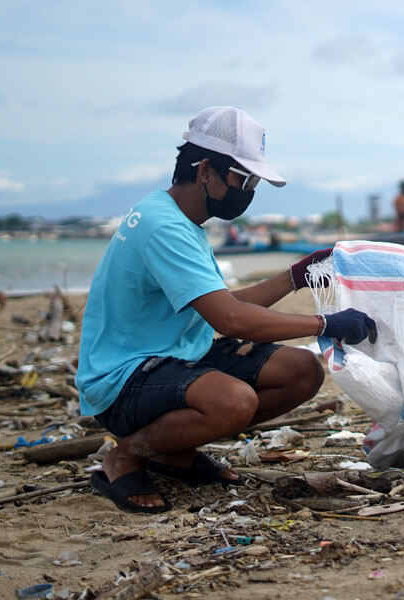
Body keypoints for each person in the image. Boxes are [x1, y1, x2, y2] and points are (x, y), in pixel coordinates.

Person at [76, 106, 377, 513]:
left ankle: (172, 450)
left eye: (254, 181)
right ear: (205, 171)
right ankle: (127, 455)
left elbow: (223, 304)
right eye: (243, 178)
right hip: (123, 378)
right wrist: (324, 323)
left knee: (301, 372)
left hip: (175, 356)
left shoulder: (176, 216)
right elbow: (231, 320)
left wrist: (295, 277)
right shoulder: (164, 227)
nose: (249, 191)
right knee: (233, 402)